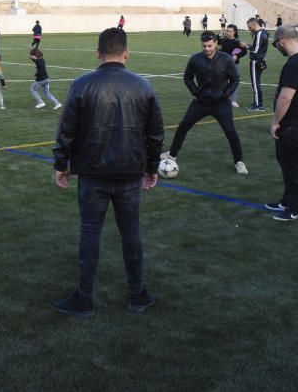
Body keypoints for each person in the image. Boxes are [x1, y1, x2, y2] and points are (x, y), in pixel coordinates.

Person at [51, 27, 163, 317]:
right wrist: (151, 168)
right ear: (126, 52)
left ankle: (85, 298)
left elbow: (66, 131)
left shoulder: (82, 84)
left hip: (93, 173)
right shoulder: (143, 85)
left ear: (97, 53)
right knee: (131, 232)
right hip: (128, 173)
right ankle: (137, 295)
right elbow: (156, 135)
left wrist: (61, 165)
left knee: (90, 234)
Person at [164, 31, 247, 175]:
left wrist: (225, 95)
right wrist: (196, 92)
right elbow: (187, 78)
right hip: (201, 102)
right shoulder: (195, 59)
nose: (207, 49)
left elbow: (235, 79)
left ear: (215, 43)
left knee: (230, 132)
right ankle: (172, 155)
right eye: (204, 46)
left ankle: (239, 161)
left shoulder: (226, 59)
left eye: (209, 45)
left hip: (221, 103)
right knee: (183, 126)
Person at [264, 26, 298, 222]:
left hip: (295, 122)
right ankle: (286, 201)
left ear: (281, 41)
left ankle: (294, 208)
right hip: (296, 121)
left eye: (276, 44)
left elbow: (286, 97)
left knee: (292, 165)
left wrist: (275, 121)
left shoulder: (296, 63)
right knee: (284, 161)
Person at [219, 25, 247, 108]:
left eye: (230, 31)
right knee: (222, 82)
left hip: (234, 65)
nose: (229, 33)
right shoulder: (223, 41)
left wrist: (237, 56)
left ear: (234, 32)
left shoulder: (237, 42)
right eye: (227, 31)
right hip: (223, 64)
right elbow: (218, 46)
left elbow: (244, 51)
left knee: (234, 82)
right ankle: (222, 99)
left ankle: (233, 100)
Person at [245, 17, 269, 112]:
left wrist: (246, 46)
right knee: (257, 83)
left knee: (255, 84)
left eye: (249, 27)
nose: (249, 29)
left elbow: (256, 50)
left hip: (256, 61)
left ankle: (258, 105)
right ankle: (258, 103)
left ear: (254, 25)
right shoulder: (263, 32)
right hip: (261, 60)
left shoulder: (259, 34)